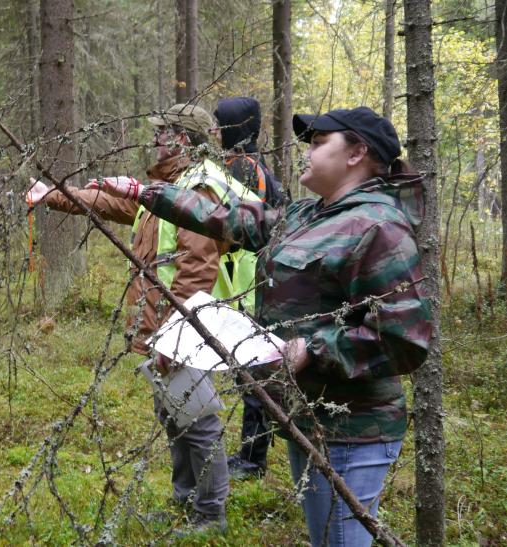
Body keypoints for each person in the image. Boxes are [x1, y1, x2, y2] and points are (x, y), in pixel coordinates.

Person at [92, 106, 433, 546]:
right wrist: (147, 192)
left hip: (352, 430)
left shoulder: (378, 227)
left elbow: (404, 338)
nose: (305, 152)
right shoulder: (309, 214)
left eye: (318, 143)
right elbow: (234, 218)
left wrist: (313, 349)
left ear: (356, 154)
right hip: (306, 416)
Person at [26, 103, 250, 532]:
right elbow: (111, 204)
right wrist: (50, 194)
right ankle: (186, 501)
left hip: (186, 327)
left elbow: (197, 268)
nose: (154, 140)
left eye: (161, 132)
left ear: (181, 138)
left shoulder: (198, 190)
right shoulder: (168, 187)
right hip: (167, 324)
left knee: (197, 420)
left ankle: (210, 514)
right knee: (174, 413)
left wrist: (176, 336)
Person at [211, 96, 283, 481]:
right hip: (250, 283)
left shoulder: (244, 168)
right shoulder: (246, 164)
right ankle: (254, 452)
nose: (214, 131)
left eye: (220, 123)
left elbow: (240, 229)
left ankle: (253, 459)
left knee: (253, 370)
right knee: (251, 368)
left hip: (250, 285)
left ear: (234, 128)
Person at [212, 96, 286, 207]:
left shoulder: (241, 165)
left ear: (234, 128)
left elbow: (235, 214)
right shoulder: (254, 159)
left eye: (218, 124)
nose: (213, 130)